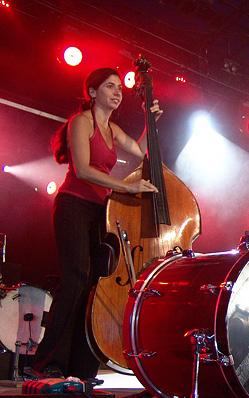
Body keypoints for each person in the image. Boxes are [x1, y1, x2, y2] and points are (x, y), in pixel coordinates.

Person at [30, 68, 160, 381]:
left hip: (100, 211)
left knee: (93, 286)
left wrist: (150, 122)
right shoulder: (81, 122)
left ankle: (82, 367)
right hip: (74, 205)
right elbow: (84, 170)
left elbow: (142, 151)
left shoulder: (112, 128)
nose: (117, 93)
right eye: (109, 87)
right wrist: (127, 186)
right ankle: (47, 362)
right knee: (75, 278)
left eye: (119, 88)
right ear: (92, 93)